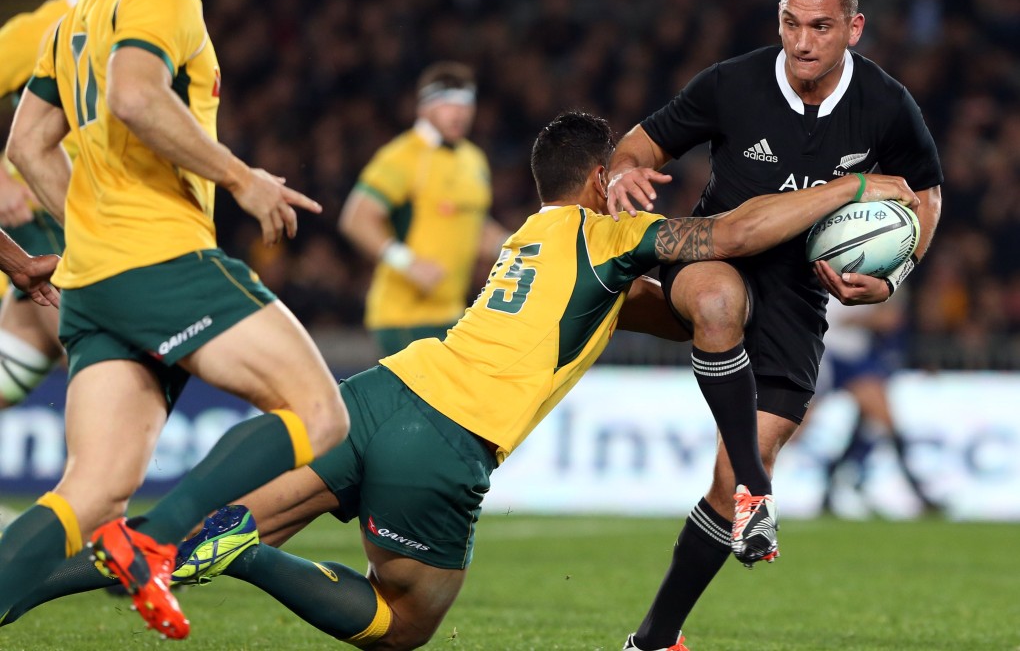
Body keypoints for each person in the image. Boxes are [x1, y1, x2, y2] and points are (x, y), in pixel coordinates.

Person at [0, 111, 918, 649]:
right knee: (403, 623)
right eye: (629, 176)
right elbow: (733, 233)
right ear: (603, 182)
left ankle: (30, 582)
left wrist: (704, 319)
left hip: (379, 393)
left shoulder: (530, 236)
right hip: (441, 444)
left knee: (184, 537)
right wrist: (843, 190)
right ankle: (248, 553)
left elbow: (630, 308)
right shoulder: (607, 235)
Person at [0, 0, 349, 640]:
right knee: (320, 413)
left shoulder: (77, 19)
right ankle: (156, 541)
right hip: (160, 262)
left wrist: (89, 237)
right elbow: (134, 97)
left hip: (96, 280)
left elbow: (27, 145)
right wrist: (240, 178)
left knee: (91, 492)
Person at [607, 0, 943, 649]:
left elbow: (925, 194)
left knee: (728, 475)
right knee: (717, 299)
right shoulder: (733, 83)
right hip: (712, 257)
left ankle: (654, 640)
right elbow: (641, 144)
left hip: (800, 294)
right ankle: (758, 493)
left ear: (853, 28)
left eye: (821, 27)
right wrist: (624, 171)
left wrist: (897, 272)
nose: (803, 41)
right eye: (791, 23)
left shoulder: (884, 103)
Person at [339, 61, 508, 357]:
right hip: (404, 317)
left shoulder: (474, 159)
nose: (458, 112)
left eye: (465, 103)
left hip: (453, 313)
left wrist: (517, 247)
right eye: (447, 103)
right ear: (424, 108)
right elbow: (356, 218)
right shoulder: (403, 156)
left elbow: (474, 226)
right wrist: (407, 262)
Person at [0, 0, 101, 410]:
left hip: (101, 226)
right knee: (104, 368)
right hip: (37, 227)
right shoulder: (33, 31)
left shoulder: (135, 25)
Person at [815, 289, 940, 515]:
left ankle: (829, 492)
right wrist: (874, 317)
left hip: (854, 360)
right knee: (792, 429)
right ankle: (919, 493)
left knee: (877, 423)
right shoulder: (834, 277)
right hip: (832, 356)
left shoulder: (864, 273)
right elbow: (845, 318)